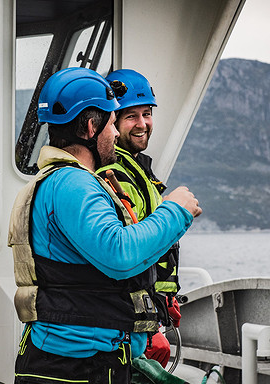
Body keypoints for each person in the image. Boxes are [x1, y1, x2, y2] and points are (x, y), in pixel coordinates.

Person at [8, 67, 201, 384]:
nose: (114, 134)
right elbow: (120, 253)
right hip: (77, 366)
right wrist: (176, 211)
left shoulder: (65, 182)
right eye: (112, 123)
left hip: (77, 361)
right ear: (89, 127)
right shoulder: (73, 184)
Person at [97, 69, 181, 368]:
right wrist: (149, 329)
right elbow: (130, 257)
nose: (143, 124)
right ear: (112, 122)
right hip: (132, 325)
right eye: (131, 115)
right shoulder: (115, 173)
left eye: (147, 113)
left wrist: (166, 300)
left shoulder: (138, 169)